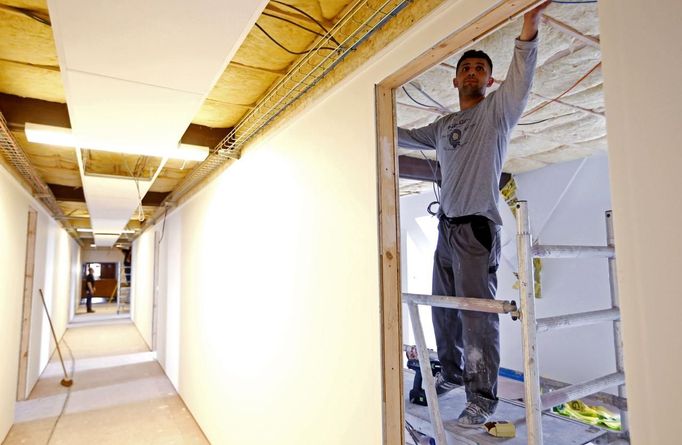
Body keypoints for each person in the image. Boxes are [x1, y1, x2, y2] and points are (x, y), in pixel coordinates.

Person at [397, 2, 550, 427]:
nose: (472, 73)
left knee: (476, 314)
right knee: (443, 309)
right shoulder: (444, 125)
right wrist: (359, 115)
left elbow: (522, 79)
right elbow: (401, 136)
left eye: (480, 68)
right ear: (455, 78)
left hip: (476, 230)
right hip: (446, 229)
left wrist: (529, 26)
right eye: (466, 68)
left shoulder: (496, 113)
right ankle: (449, 372)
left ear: (489, 78)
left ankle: (482, 397)